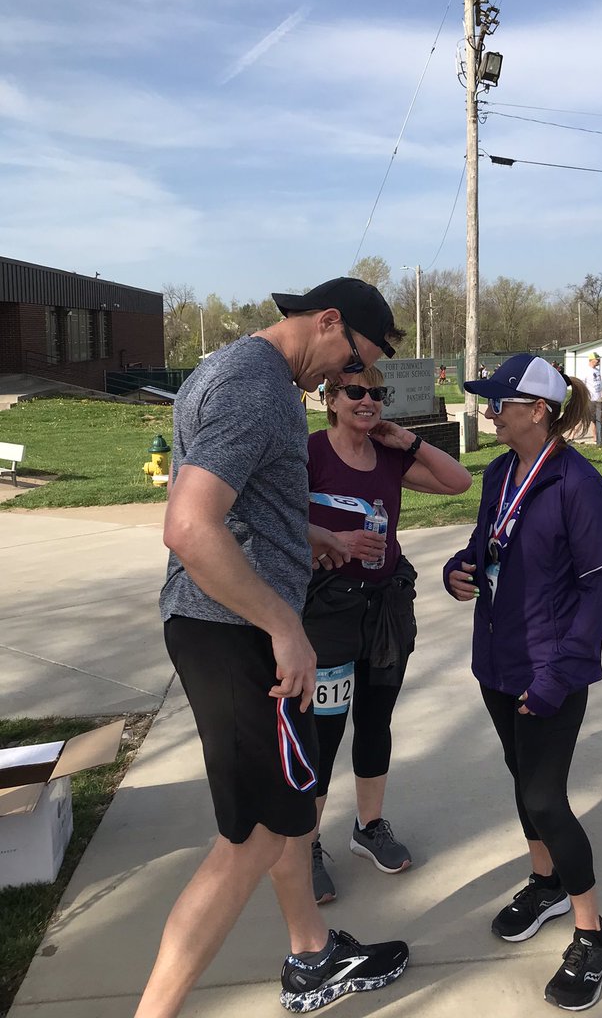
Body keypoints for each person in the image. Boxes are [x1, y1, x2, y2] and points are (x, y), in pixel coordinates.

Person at [141, 279, 410, 1018]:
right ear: (328, 322)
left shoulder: (241, 371)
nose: (347, 380)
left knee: (291, 809)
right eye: (351, 362)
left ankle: (313, 954)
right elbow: (188, 526)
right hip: (234, 631)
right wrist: (285, 628)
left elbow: (234, 501)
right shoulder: (256, 388)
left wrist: (307, 535)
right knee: (254, 837)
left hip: (235, 621)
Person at [443, 354, 602, 1011]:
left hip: (549, 670)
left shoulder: (578, 484)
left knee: (545, 798)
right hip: (497, 660)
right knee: (522, 782)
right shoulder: (499, 472)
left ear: (538, 410)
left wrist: (560, 675)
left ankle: (593, 934)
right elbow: (484, 545)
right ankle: (546, 884)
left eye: (500, 403)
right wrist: (458, 570)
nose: (489, 412)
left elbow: (599, 589)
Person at [301, 366, 471, 902]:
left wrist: (409, 440)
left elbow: (458, 482)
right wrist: (334, 540)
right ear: (330, 399)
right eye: (355, 392)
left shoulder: (389, 456)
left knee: (376, 722)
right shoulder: (310, 453)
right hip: (328, 611)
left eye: (377, 393)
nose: (368, 401)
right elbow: (272, 519)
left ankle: (369, 827)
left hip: (385, 609)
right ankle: (306, 845)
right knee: (324, 733)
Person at [581, 352, 602, 444]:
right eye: (597, 360)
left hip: (599, 398)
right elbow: (582, 385)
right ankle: (573, 436)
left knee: (598, 419)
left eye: (599, 359)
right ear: (591, 360)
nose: (598, 361)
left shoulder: (597, 370)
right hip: (590, 398)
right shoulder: (586, 371)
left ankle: (597, 437)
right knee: (588, 419)